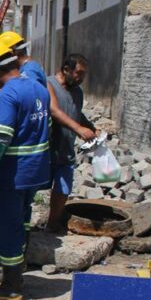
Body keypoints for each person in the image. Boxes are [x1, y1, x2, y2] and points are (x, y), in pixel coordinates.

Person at [0, 41, 51, 300]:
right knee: (22, 221)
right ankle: (16, 272)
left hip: (11, 173)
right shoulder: (38, 88)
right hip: (35, 172)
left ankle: (11, 286)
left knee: (6, 227)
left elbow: (1, 140)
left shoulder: (7, 95)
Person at [46, 54, 96, 232]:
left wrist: (90, 127)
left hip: (66, 150)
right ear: (66, 69)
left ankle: (52, 224)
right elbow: (54, 111)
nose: (81, 78)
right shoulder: (48, 85)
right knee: (32, 189)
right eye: (79, 73)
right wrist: (79, 129)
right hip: (46, 149)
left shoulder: (77, 92)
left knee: (62, 189)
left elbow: (76, 113)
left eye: (84, 75)